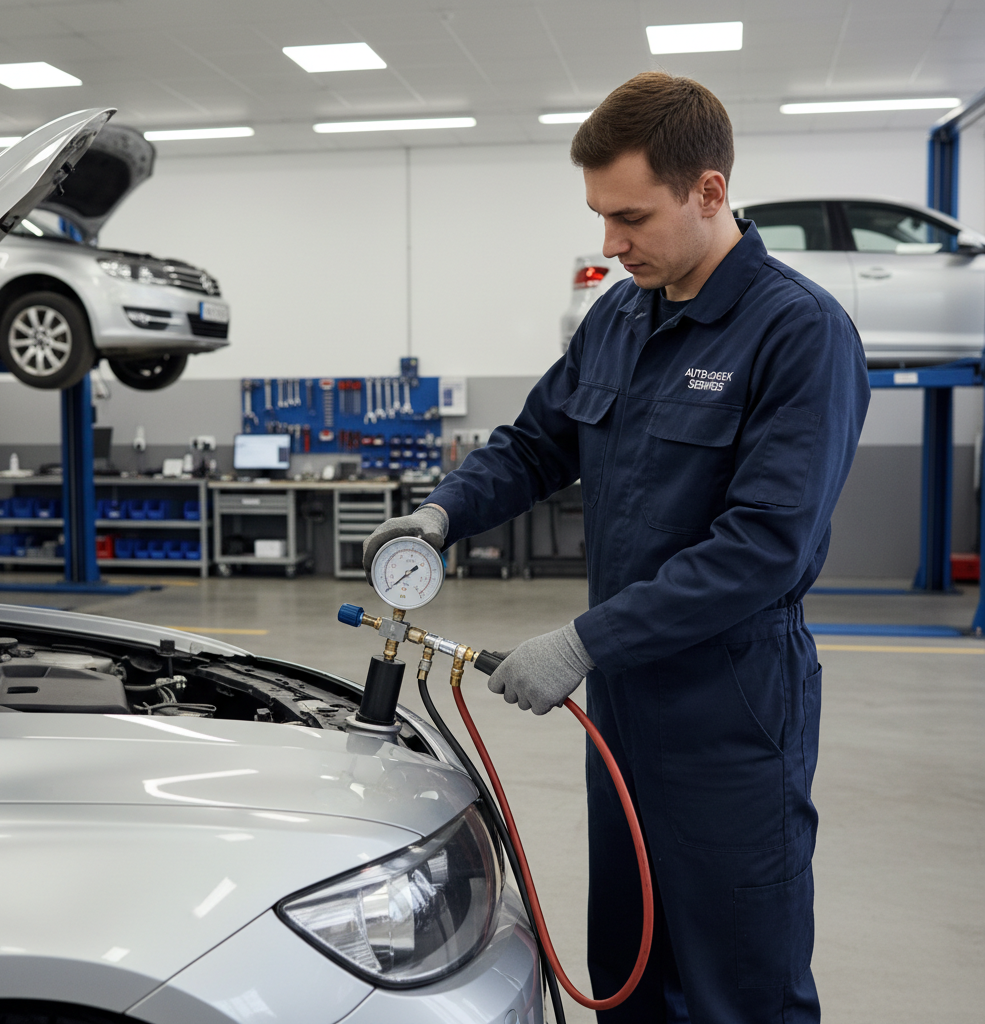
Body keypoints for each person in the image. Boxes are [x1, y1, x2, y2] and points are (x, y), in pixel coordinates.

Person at [364, 71, 870, 1023]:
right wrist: (441, 514)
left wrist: (585, 641)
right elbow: (535, 442)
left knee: (737, 986)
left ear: (709, 191)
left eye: (631, 216)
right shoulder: (620, 315)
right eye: (599, 216)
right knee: (632, 970)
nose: (610, 242)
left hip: (733, 712)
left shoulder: (800, 336)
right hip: (627, 708)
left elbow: (762, 547)